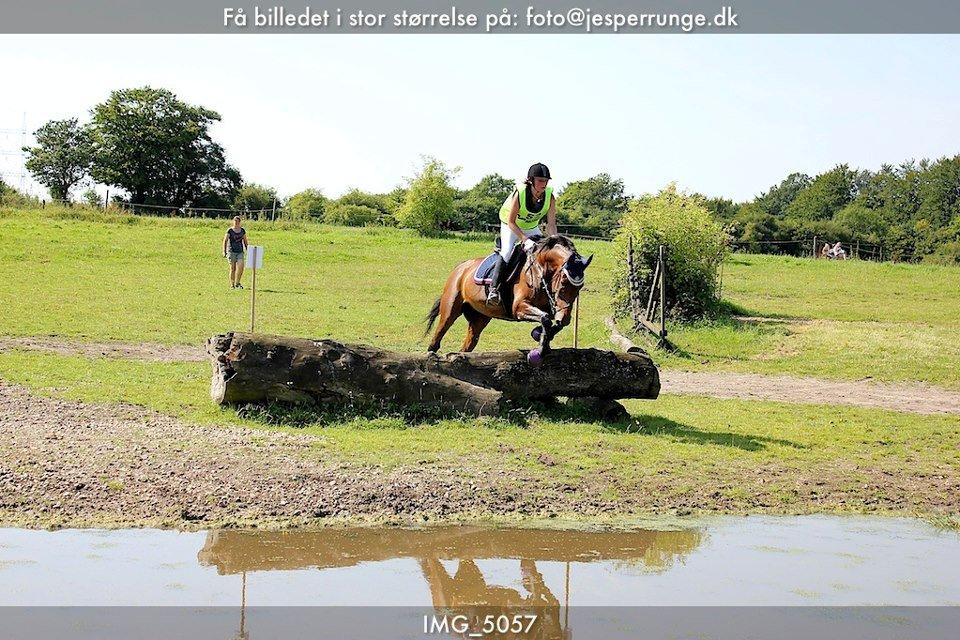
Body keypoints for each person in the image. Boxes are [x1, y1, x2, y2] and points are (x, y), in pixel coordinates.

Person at [486, 162, 559, 304]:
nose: (544, 184)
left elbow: (551, 224)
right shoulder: (520, 194)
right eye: (540, 180)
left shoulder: (550, 197)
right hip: (510, 224)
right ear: (531, 180)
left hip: (531, 226)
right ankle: (494, 289)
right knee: (507, 251)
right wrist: (524, 239)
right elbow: (512, 222)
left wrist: (555, 241)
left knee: (544, 251)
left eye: (546, 181)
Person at [222, 216, 249, 289]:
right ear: (233, 222)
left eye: (237, 221)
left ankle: (238, 283)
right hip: (231, 251)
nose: (236, 223)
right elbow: (225, 241)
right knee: (233, 268)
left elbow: (245, 241)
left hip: (240, 251)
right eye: (235, 221)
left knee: (241, 267)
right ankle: (232, 284)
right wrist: (224, 251)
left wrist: (248, 250)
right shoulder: (230, 230)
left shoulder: (242, 230)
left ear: (240, 222)